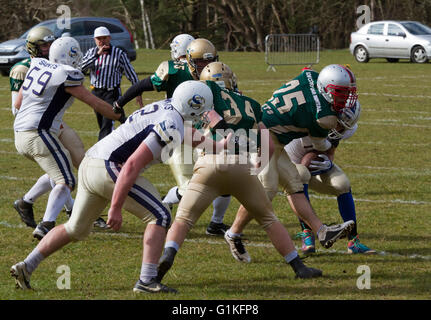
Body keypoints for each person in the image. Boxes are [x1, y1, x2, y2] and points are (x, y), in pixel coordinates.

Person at [156, 62, 354, 283]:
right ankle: (297, 265)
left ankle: (168, 255)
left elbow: (191, 126)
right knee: (270, 216)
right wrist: (256, 168)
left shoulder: (206, 94)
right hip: (243, 164)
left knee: (184, 218)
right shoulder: (250, 103)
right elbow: (268, 142)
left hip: (209, 163)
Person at [10, 80, 214, 293]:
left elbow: (186, 133)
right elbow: (132, 165)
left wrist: (219, 146)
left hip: (91, 163)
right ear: (193, 106)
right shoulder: (171, 124)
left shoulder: (169, 107)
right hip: (109, 167)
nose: (203, 116)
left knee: (75, 228)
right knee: (160, 215)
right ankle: (146, 280)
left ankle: (27, 265)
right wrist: (115, 208)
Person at [222, 65, 358, 262]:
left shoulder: (311, 76)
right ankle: (233, 233)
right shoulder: (325, 117)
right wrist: (336, 139)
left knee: (294, 183)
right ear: (327, 90)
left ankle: (321, 231)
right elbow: (321, 145)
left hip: (268, 132)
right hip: (263, 136)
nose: (345, 99)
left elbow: (305, 75)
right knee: (266, 190)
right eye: (341, 94)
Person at [114, 37, 231, 236]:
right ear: (190, 60)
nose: (206, 66)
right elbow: (144, 84)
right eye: (201, 61)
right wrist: (119, 103)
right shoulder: (174, 70)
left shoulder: (215, 73)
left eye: (208, 61)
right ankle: (166, 206)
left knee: (225, 177)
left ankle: (216, 223)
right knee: (188, 187)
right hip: (177, 132)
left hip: (203, 133)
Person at [13, 36, 123, 241]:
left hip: (20, 133)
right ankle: (46, 225)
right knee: (67, 180)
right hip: (38, 133)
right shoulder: (66, 75)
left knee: (59, 168)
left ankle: (27, 202)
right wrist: (120, 115)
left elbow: (18, 103)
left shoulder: (37, 66)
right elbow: (94, 102)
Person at [10, 27, 84, 229]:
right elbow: (17, 105)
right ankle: (71, 209)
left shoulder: (53, 63)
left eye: (51, 44)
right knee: (62, 170)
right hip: (35, 125)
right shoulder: (23, 68)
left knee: (74, 161)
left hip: (52, 122)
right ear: (33, 48)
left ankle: (27, 202)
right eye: (44, 45)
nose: (49, 48)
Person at [285, 101, 375, 254]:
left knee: (342, 184)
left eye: (344, 126)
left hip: (314, 164)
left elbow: (330, 150)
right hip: (291, 165)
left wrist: (328, 162)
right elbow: (303, 162)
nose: (341, 129)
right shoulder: (310, 124)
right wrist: (313, 159)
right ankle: (307, 233)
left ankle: (354, 242)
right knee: (301, 174)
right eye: (339, 124)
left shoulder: (343, 126)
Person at [81, 26, 142, 141]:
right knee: (102, 122)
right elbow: (81, 68)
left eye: (104, 38)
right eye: (98, 38)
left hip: (112, 93)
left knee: (106, 124)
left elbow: (131, 73)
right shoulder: (91, 52)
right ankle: (127, 123)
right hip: (96, 93)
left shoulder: (119, 54)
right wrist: (96, 55)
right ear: (94, 40)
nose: (101, 41)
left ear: (109, 38)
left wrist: (138, 92)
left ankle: (102, 150)